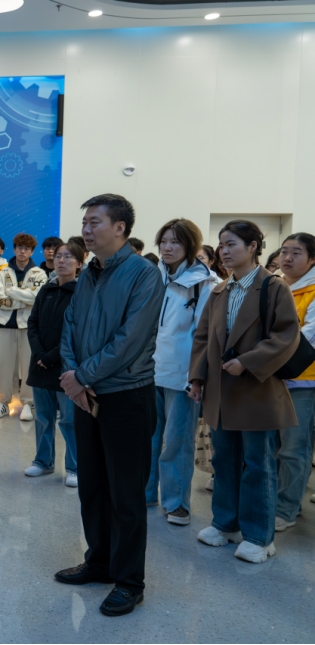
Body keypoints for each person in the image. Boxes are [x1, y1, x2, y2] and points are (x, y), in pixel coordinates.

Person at [55, 194, 164, 618]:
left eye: (94, 222)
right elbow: (70, 326)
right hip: (86, 395)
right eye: (84, 222)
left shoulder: (143, 274)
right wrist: (73, 377)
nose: (86, 229)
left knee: (126, 494)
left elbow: (130, 339)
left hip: (126, 395)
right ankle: (99, 561)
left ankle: (130, 582)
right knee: (92, 487)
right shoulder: (90, 273)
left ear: (120, 227)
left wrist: (81, 376)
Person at [189, 220, 299, 564]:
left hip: (256, 388)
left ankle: (258, 537)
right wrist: (197, 377)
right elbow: (202, 338)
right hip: (221, 390)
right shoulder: (219, 291)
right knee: (224, 460)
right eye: (221, 245)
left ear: (253, 247)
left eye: (231, 244)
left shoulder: (273, 287)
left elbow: (287, 335)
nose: (223, 251)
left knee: (258, 463)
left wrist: (248, 362)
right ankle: (225, 523)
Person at [145, 219, 214, 526]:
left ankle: (177, 504)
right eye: (164, 241)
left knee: (176, 442)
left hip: (182, 375)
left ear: (190, 246)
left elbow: (205, 335)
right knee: (147, 438)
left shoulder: (203, 282)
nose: (168, 247)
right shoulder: (154, 276)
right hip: (149, 371)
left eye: (176, 242)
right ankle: (146, 492)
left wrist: (196, 376)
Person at [26, 242, 83, 487]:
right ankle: (43, 461)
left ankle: (74, 467)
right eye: (59, 256)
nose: (61, 260)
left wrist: (51, 356)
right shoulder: (46, 289)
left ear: (79, 263)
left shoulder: (82, 293)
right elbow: (32, 323)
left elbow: (78, 332)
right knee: (42, 418)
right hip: (40, 364)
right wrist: (39, 353)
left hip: (65, 366)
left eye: (68, 257)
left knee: (69, 420)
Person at [274, 233, 315, 531]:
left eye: (296, 253)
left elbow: (308, 335)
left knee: (293, 448)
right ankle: (273, 500)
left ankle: (287, 508)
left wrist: (266, 351)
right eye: (284, 251)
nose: (287, 258)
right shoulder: (274, 284)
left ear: (312, 259)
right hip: (271, 378)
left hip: (303, 381)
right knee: (273, 446)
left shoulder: (312, 291)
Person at [0, 234, 48, 422]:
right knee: (4, 365)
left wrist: (12, 292)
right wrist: (24, 299)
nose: (22, 251)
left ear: (32, 251)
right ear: (14, 249)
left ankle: (28, 403)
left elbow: (37, 298)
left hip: (29, 327)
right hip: (6, 325)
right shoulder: (2, 273)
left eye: (26, 248)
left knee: (29, 365)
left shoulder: (39, 274)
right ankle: (3, 402)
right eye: (19, 247)